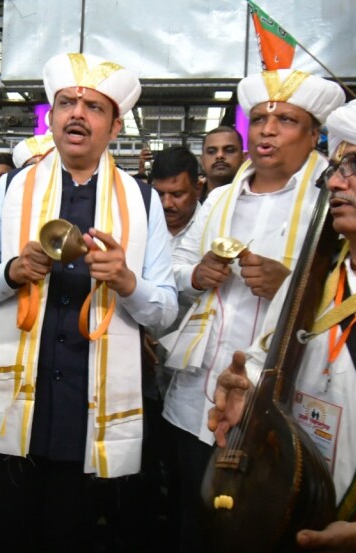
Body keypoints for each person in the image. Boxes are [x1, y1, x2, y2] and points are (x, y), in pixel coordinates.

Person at [0, 52, 178, 553]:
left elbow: (164, 312)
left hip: (91, 415)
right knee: (1, 538)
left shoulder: (143, 202)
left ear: (115, 125)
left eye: (94, 107)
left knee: (71, 538)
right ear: (51, 117)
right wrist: (11, 273)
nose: (77, 113)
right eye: (66, 103)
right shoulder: (12, 190)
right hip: (14, 409)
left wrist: (125, 281)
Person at [209, 98, 356, 553]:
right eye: (335, 166)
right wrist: (248, 389)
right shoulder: (316, 277)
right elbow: (268, 356)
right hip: (285, 515)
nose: (334, 180)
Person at [161, 69, 345, 552]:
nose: (267, 129)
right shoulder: (219, 197)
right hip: (195, 398)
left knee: (260, 527)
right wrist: (195, 274)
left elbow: (353, 292)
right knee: (191, 520)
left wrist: (289, 285)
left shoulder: (329, 206)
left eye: (286, 119)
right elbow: (178, 265)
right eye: (260, 118)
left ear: (313, 133)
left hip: (277, 404)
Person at [143, 144, 202, 549]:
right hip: (147, 363)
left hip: (194, 370)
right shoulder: (142, 225)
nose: (168, 204)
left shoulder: (213, 225)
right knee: (147, 462)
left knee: (188, 472)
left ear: (197, 188)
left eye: (177, 194)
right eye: (160, 194)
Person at [199, 125, 245, 202]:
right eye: (211, 151)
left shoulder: (259, 199)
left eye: (229, 150)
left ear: (243, 158)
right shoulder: (190, 204)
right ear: (202, 160)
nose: (219, 155)